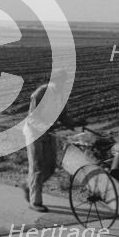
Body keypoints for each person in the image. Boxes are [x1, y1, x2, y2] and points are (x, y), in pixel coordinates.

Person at [22, 69, 86, 212]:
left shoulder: (61, 95)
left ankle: (29, 186)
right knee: (38, 167)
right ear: (53, 80)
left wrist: (75, 123)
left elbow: (64, 117)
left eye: (63, 82)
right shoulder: (41, 93)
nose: (62, 84)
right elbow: (32, 117)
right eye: (59, 81)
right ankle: (35, 202)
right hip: (34, 133)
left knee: (50, 168)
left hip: (49, 133)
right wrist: (46, 126)